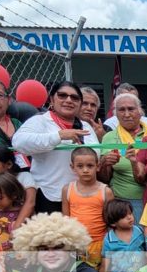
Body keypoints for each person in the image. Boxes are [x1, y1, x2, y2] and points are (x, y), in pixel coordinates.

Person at [12, 81, 99, 214]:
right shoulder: (40, 121)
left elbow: (96, 155)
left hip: (81, 196)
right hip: (49, 195)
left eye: (74, 97)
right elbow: (19, 142)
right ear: (52, 99)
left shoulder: (86, 127)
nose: (68, 100)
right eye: (62, 95)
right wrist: (59, 136)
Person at [98, 93, 147, 223]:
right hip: (122, 202)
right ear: (115, 114)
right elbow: (105, 178)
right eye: (121, 110)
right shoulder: (109, 137)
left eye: (131, 109)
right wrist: (104, 163)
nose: (126, 114)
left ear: (140, 111)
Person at [62, 147, 114, 268]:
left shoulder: (106, 192)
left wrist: (108, 248)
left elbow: (111, 223)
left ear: (98, 166)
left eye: (90, 166)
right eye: (80, 166)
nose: (85, 170)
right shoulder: (67, 190)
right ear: (72, 167)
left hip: (99, 243)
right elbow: (65, 219)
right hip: (75, 244)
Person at [0, 145, 36, 230]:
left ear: (8, 164)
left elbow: (30, 203)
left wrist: (16, 226)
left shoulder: (24, 177)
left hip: (24, 229)